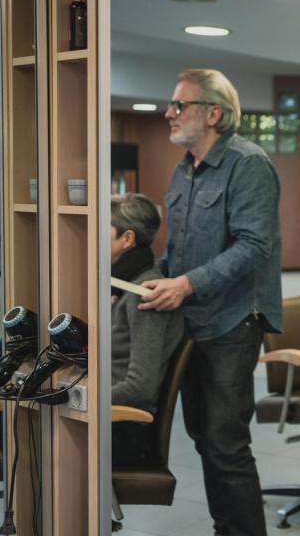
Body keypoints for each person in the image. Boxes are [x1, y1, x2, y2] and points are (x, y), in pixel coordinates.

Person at [139, 69, 282, 536]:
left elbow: (253, 246)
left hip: (232, 324)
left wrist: (185, 284)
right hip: (191, 324)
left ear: (214, 113)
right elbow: (176, 252)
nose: (169, 113)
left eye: (179, 105)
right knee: (204, 440)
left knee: (226, 445)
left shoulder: (248, 164)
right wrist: (151, 280)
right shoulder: (183, 170)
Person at [110, 193, 184, 465]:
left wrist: (75, 397)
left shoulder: (144, 293)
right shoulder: (120, 286)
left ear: (127, 239)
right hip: (101, 414)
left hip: (121, 425)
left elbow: (139, 387)